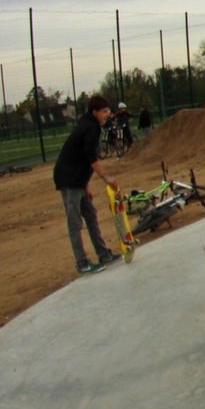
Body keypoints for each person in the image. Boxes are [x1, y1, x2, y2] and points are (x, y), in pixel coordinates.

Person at [52, 95, 121, 274]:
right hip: (68, 179)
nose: (107, 115)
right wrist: (107, 178)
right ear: (94, 112)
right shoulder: (89, 127)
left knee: (90, 215)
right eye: (104, 112)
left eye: (108, 111)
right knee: (74, 221)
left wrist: (86, 185)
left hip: (78, 179)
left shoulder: (91, 126)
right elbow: (91, 157)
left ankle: (103, 253)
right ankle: (82, 263)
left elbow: (82, 157)